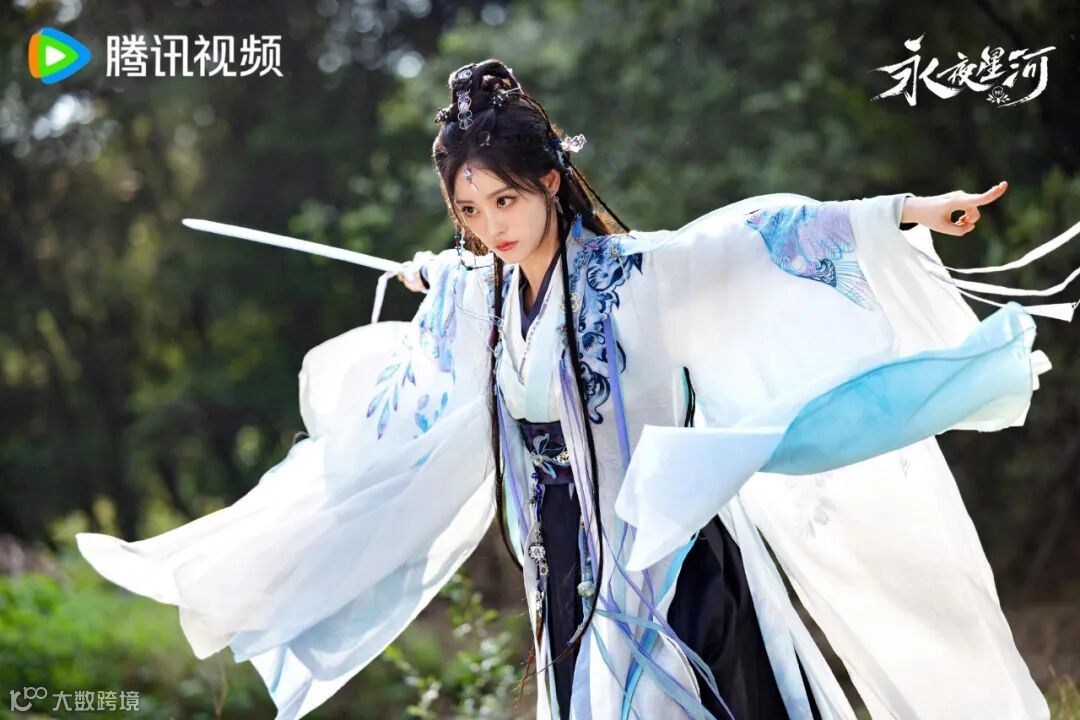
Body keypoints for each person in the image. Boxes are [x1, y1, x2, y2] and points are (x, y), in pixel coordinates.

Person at [77, 58, 1079, 720]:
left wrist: (907, 210)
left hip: (670, 566)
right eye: (471, 210)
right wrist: (436, 275)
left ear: (551, 182)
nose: (492, 226)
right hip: (562, 571)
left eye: (506, 199)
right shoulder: (482, 294)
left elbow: (762, 236)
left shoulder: (640, 273)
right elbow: (454, 295)